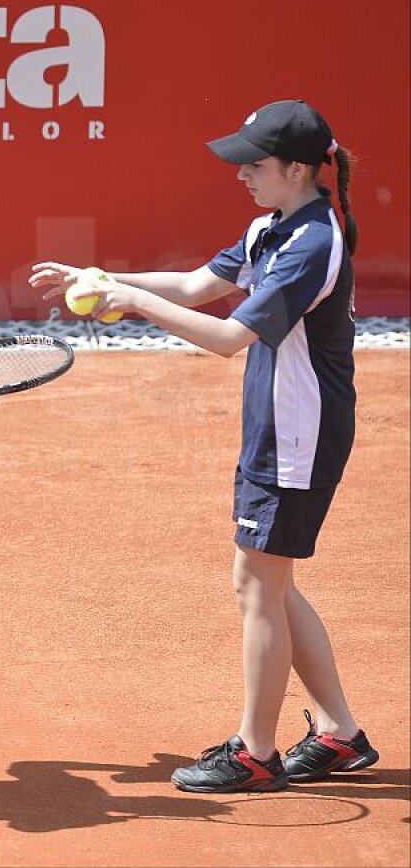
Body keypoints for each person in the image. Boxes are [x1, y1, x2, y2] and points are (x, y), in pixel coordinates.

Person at [29, 99, 379, 794]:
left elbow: (224, 338)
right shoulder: (274, 228)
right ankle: (339, 734)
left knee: (256, 582)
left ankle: (256, 751)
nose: (242, 173)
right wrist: (101, 281)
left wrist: (125, 301)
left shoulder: (312, 244)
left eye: (256, 163)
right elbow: (195, 287)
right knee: (272, 583)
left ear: (300, 169)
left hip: (298, 435)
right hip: (280, 427)